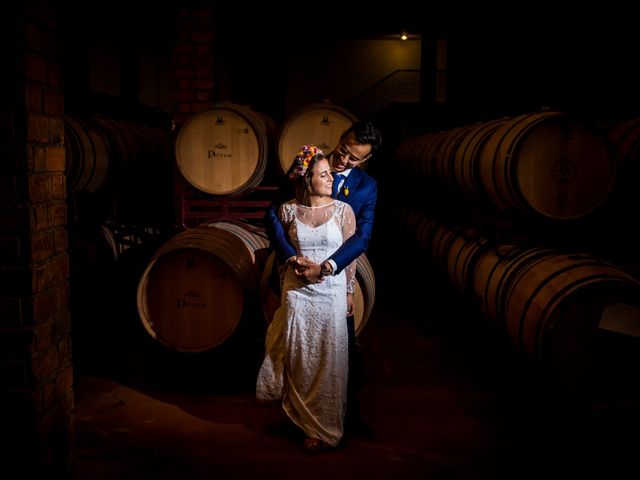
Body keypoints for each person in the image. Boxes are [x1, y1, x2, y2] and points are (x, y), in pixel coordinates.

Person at [263, 120, 382, 437]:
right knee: (298, 350)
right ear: (341, 139)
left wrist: (330, 268)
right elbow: (273, 214)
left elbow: (362, 238)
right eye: (343, 150)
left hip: (335, 278)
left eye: (354, 159)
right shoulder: (310, 165)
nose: (344, 161)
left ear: (364, 161)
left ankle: (343, 415)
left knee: (344, 352)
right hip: (297, 277)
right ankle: (299, 417)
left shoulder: (366, 186)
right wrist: (290, 255)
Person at [256, 145, 357, 453]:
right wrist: (292, 263)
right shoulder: (287, 210)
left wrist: (350, 289)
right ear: (307, 179)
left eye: (330, 173)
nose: (331, 179)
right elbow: (281, 248)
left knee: (330, 357)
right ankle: (303, 419)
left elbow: (350, 256)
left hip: (330, 289)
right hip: (297, 289)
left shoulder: (343, 211)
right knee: (301, 353)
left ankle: (326, 424)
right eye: (324, 174)